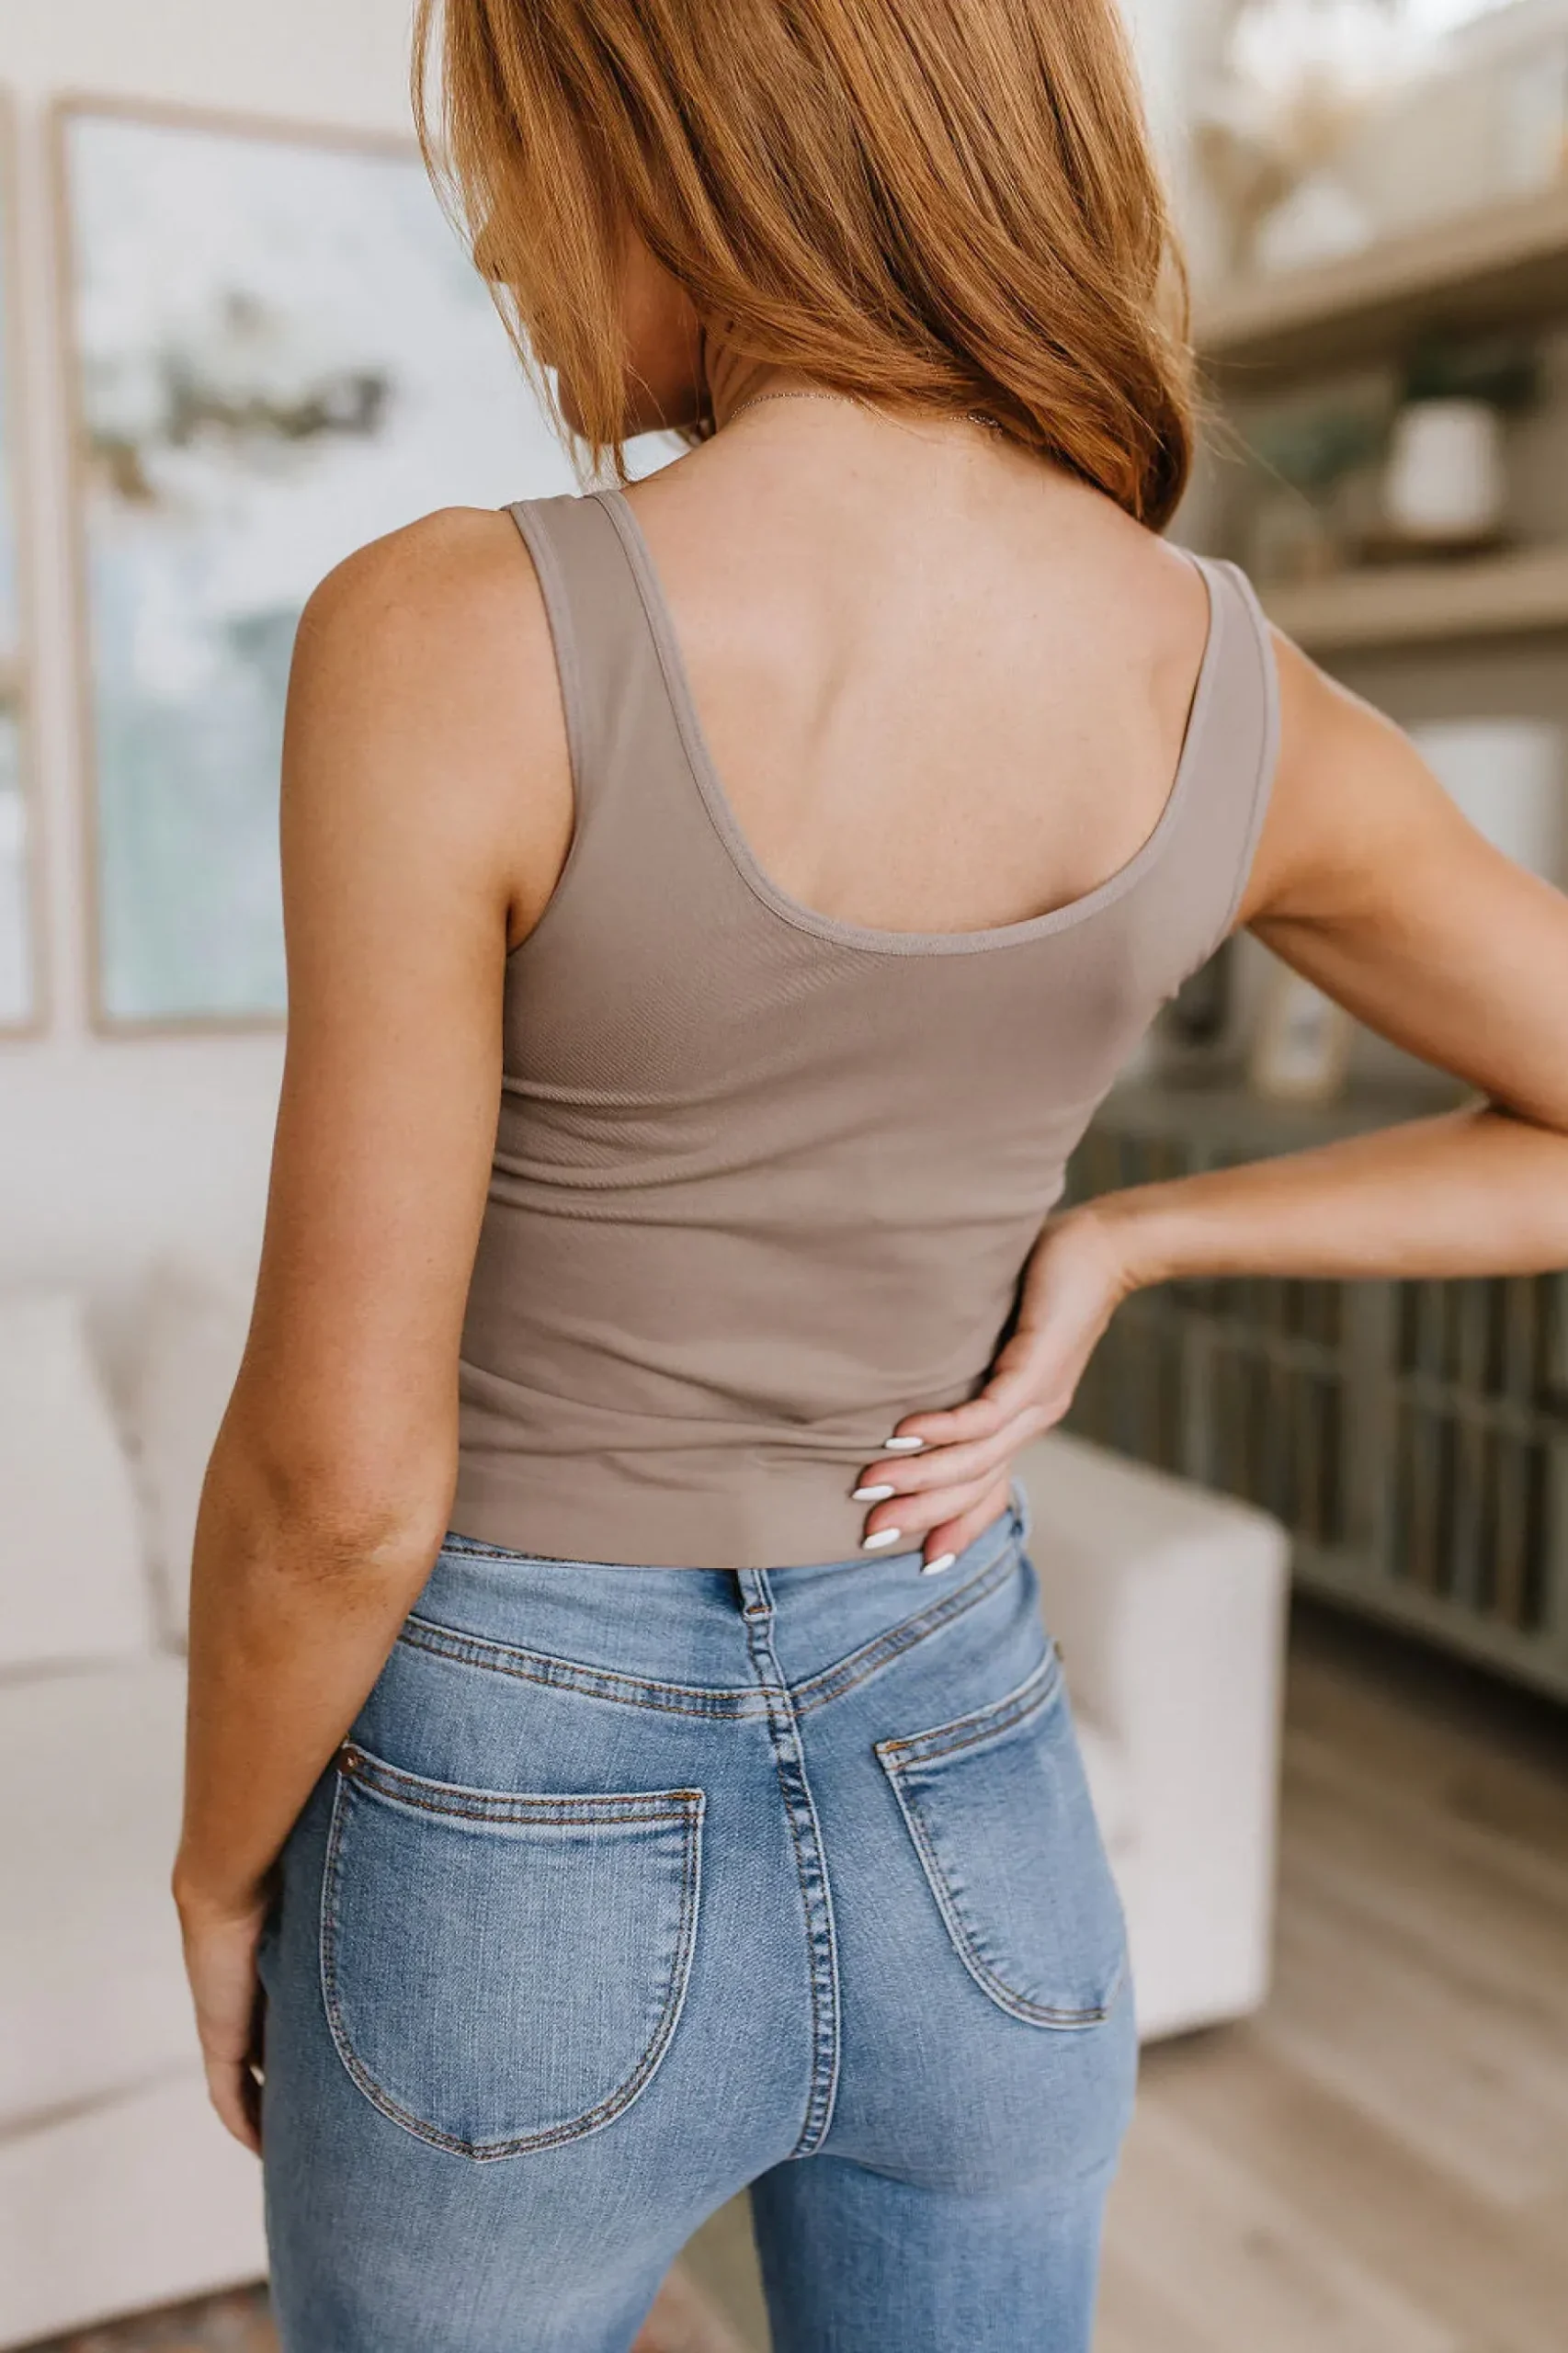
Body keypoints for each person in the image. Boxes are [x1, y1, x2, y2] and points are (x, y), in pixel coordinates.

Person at [172, 2, 1568, 2347]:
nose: (509, 254)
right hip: (977, 1768)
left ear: (677, 138)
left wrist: (227, 1864)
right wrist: (1132, 1234)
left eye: (520, 160)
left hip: (506, 1805)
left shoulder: (443, 630)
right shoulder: (1218, 679)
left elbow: (338, 1483)